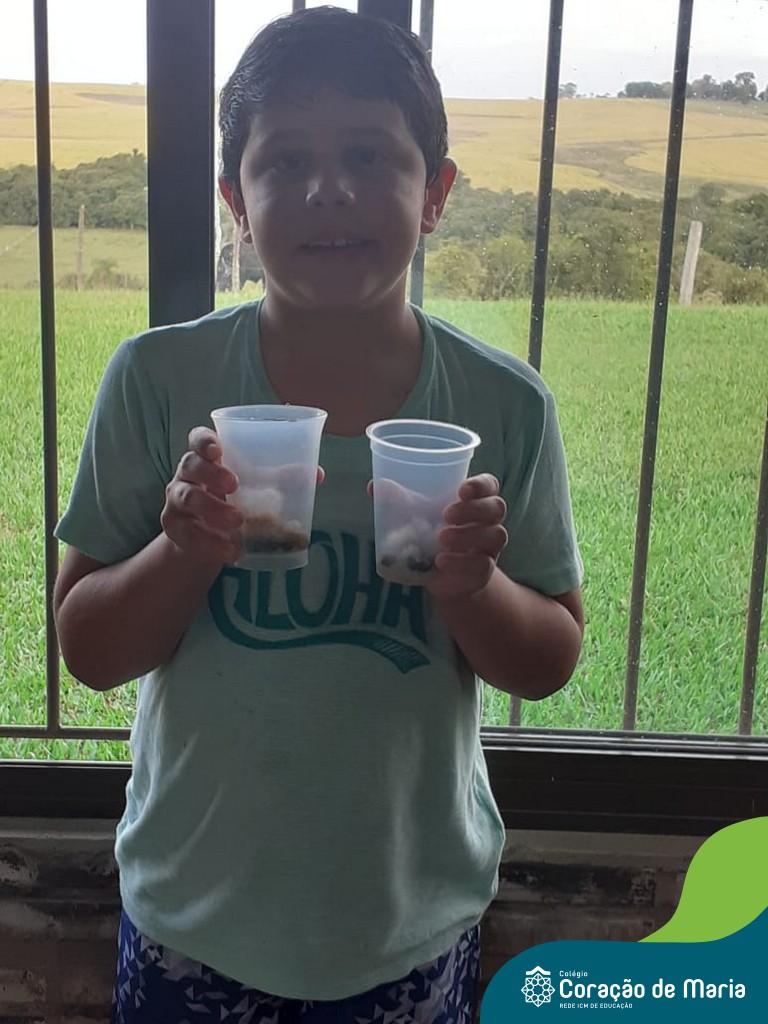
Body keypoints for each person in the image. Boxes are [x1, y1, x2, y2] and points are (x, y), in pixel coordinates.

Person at [53, 6, 584, 1023]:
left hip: (406, 923)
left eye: (368, 155)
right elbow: (87, 648)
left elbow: (549, 658)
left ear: (436, 193)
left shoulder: (504, 406)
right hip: (194, 914)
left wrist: (472, 587)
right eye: (285, 159)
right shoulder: (158, 380)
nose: (327, 188)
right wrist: (180, 551)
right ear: (235, 204)